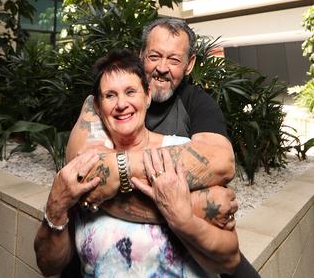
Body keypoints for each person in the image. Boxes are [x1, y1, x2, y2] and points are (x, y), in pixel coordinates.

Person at [67, 18, 260, 277]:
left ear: (189, 65)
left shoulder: (197, 103)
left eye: (174, 60)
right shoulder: (105, 99)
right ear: (141, 55)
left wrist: (114, 169)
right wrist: (187, 208)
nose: (162, 68)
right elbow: (84, 175)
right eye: (154, 56)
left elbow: (221, 162)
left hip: (185, 239)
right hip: (113, 235)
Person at [34, 50, 240, 277]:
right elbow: (48, 266)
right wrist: (55, 206)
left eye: (130, 92)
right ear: (98, 106)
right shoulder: (86, 163)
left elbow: (229, 260)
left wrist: (183, 220)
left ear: (147, 95)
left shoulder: (183, 150)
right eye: (110, 95)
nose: (122, 104)